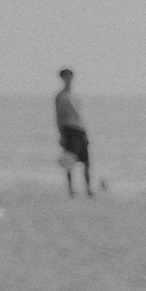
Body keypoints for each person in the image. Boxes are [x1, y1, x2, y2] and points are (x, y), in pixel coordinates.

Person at [55, 68, 92, 198]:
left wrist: (85, 132)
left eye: (70, 76)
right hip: (69, 130)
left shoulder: (75, 94)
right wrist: (61, 135)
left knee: (86, 162)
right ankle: (71, 189)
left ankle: (88, 189)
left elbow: (80, 115)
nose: (68, 78)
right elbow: (59, 116)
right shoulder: (61, 96)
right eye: (66, 76)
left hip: (80, 130)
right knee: (69, 162)